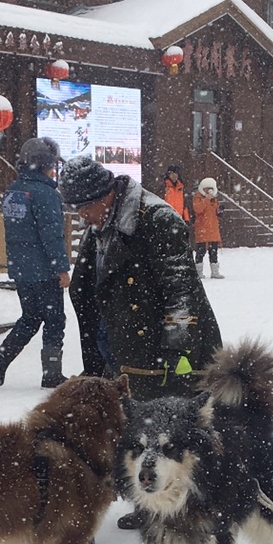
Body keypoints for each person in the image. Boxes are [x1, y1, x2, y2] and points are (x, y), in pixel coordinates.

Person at [62, 155, 221, 398]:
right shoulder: (98, 225)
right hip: (118, 350)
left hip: (155, 354)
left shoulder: (158, 220)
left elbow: (181, 291)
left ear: (105, 194)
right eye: (75, 208)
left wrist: (176, 350)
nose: (81, 214)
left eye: (84, 206)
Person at [0, 136, 70, 388]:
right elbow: (51, 235)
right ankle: (52, 374)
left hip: (21, 268)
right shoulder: (46, 194)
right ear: (46, 164)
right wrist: (61, 268)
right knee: (55, 320)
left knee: (31, 317)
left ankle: (2, 357)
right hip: (44, 269)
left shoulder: (14, 191)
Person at [190, 175, 223, 278]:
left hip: (213, 230)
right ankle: (199, 272)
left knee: (214, 252)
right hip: (202, 230)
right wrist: (206, 200)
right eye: (207, 188)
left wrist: (220, 211)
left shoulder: (215, 200)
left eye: (211, 189)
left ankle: (215, 272)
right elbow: (198, 209)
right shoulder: (197, 198)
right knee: (201, 252)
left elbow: (216, 214)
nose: (209, 191)